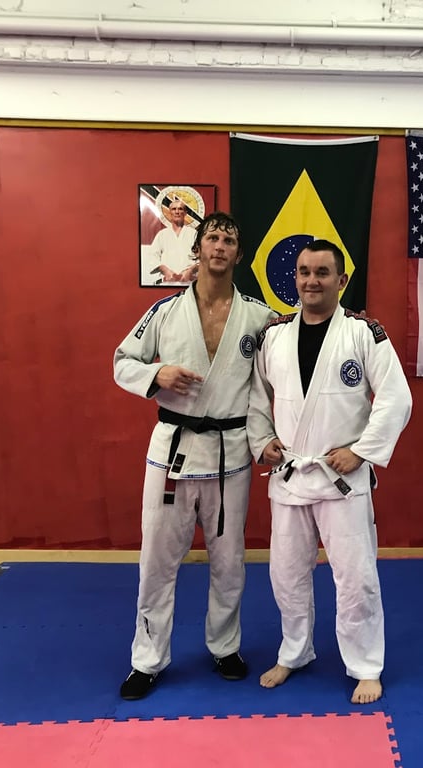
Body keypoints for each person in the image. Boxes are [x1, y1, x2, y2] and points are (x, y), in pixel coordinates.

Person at [114, 211, 276, 700]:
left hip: (231, 453)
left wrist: (351, 324)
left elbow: (291, 354)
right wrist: (156, 374)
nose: (220, 246)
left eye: (229, 239)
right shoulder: (165, 311)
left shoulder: (259, 316)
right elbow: (122, 361)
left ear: (238, 254)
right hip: (173, 451)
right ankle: (147, 659)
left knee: (229, 561)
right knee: (157, 560)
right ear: (198, 248)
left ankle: (225, 647)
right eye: (213, 237)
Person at [247, 239, 413, 705]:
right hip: (291, 477)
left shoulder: (363, 333)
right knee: (285, 575)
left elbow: (396, 398)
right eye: (304, 272)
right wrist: (262, 441)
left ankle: (365, 666)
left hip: (342, 480)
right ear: (294, 278)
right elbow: (256, 397)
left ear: (341, 280)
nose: (311, 281)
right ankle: (294, 651)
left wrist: (361, 451)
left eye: (322, 273)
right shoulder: (275, 336)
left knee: (356, 577)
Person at [144, 199, 200, 286]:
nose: (177, 212)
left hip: (189, 282)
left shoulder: (193, 234)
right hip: (167, 282)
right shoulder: (162, 234)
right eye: (174, 209)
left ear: (185, 213)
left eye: (180, 209)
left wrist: (191, 270)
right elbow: (152, 256)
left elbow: (203, 258)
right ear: (170, 212)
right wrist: (165, 270)